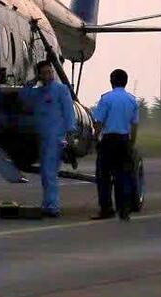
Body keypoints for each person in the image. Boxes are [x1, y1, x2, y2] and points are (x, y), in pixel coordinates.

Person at [19, 62, 77, 217]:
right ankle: (48, 203)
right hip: (43, 138)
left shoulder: (61, 90)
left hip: (56, 138)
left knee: (49, 172)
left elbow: (68, 111)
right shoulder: (37, 93)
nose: (49, 75)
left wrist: (70, 133)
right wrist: (33, 81)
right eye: (44, 73)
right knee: (46, 172)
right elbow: (23, 97)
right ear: (39, 75)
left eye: (50, 72)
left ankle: (52, 206)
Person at [89, 68, 140, 221]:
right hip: (124, 140)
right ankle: (123, 209)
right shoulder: (132, 100)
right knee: (123, 175)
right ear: (126, 82)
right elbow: (135, 124)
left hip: (109, 140)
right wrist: (131, 142)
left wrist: (95, 138)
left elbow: (98, 122)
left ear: (111, 81)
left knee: (104, 175)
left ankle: (106, 208)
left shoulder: (106, 99)